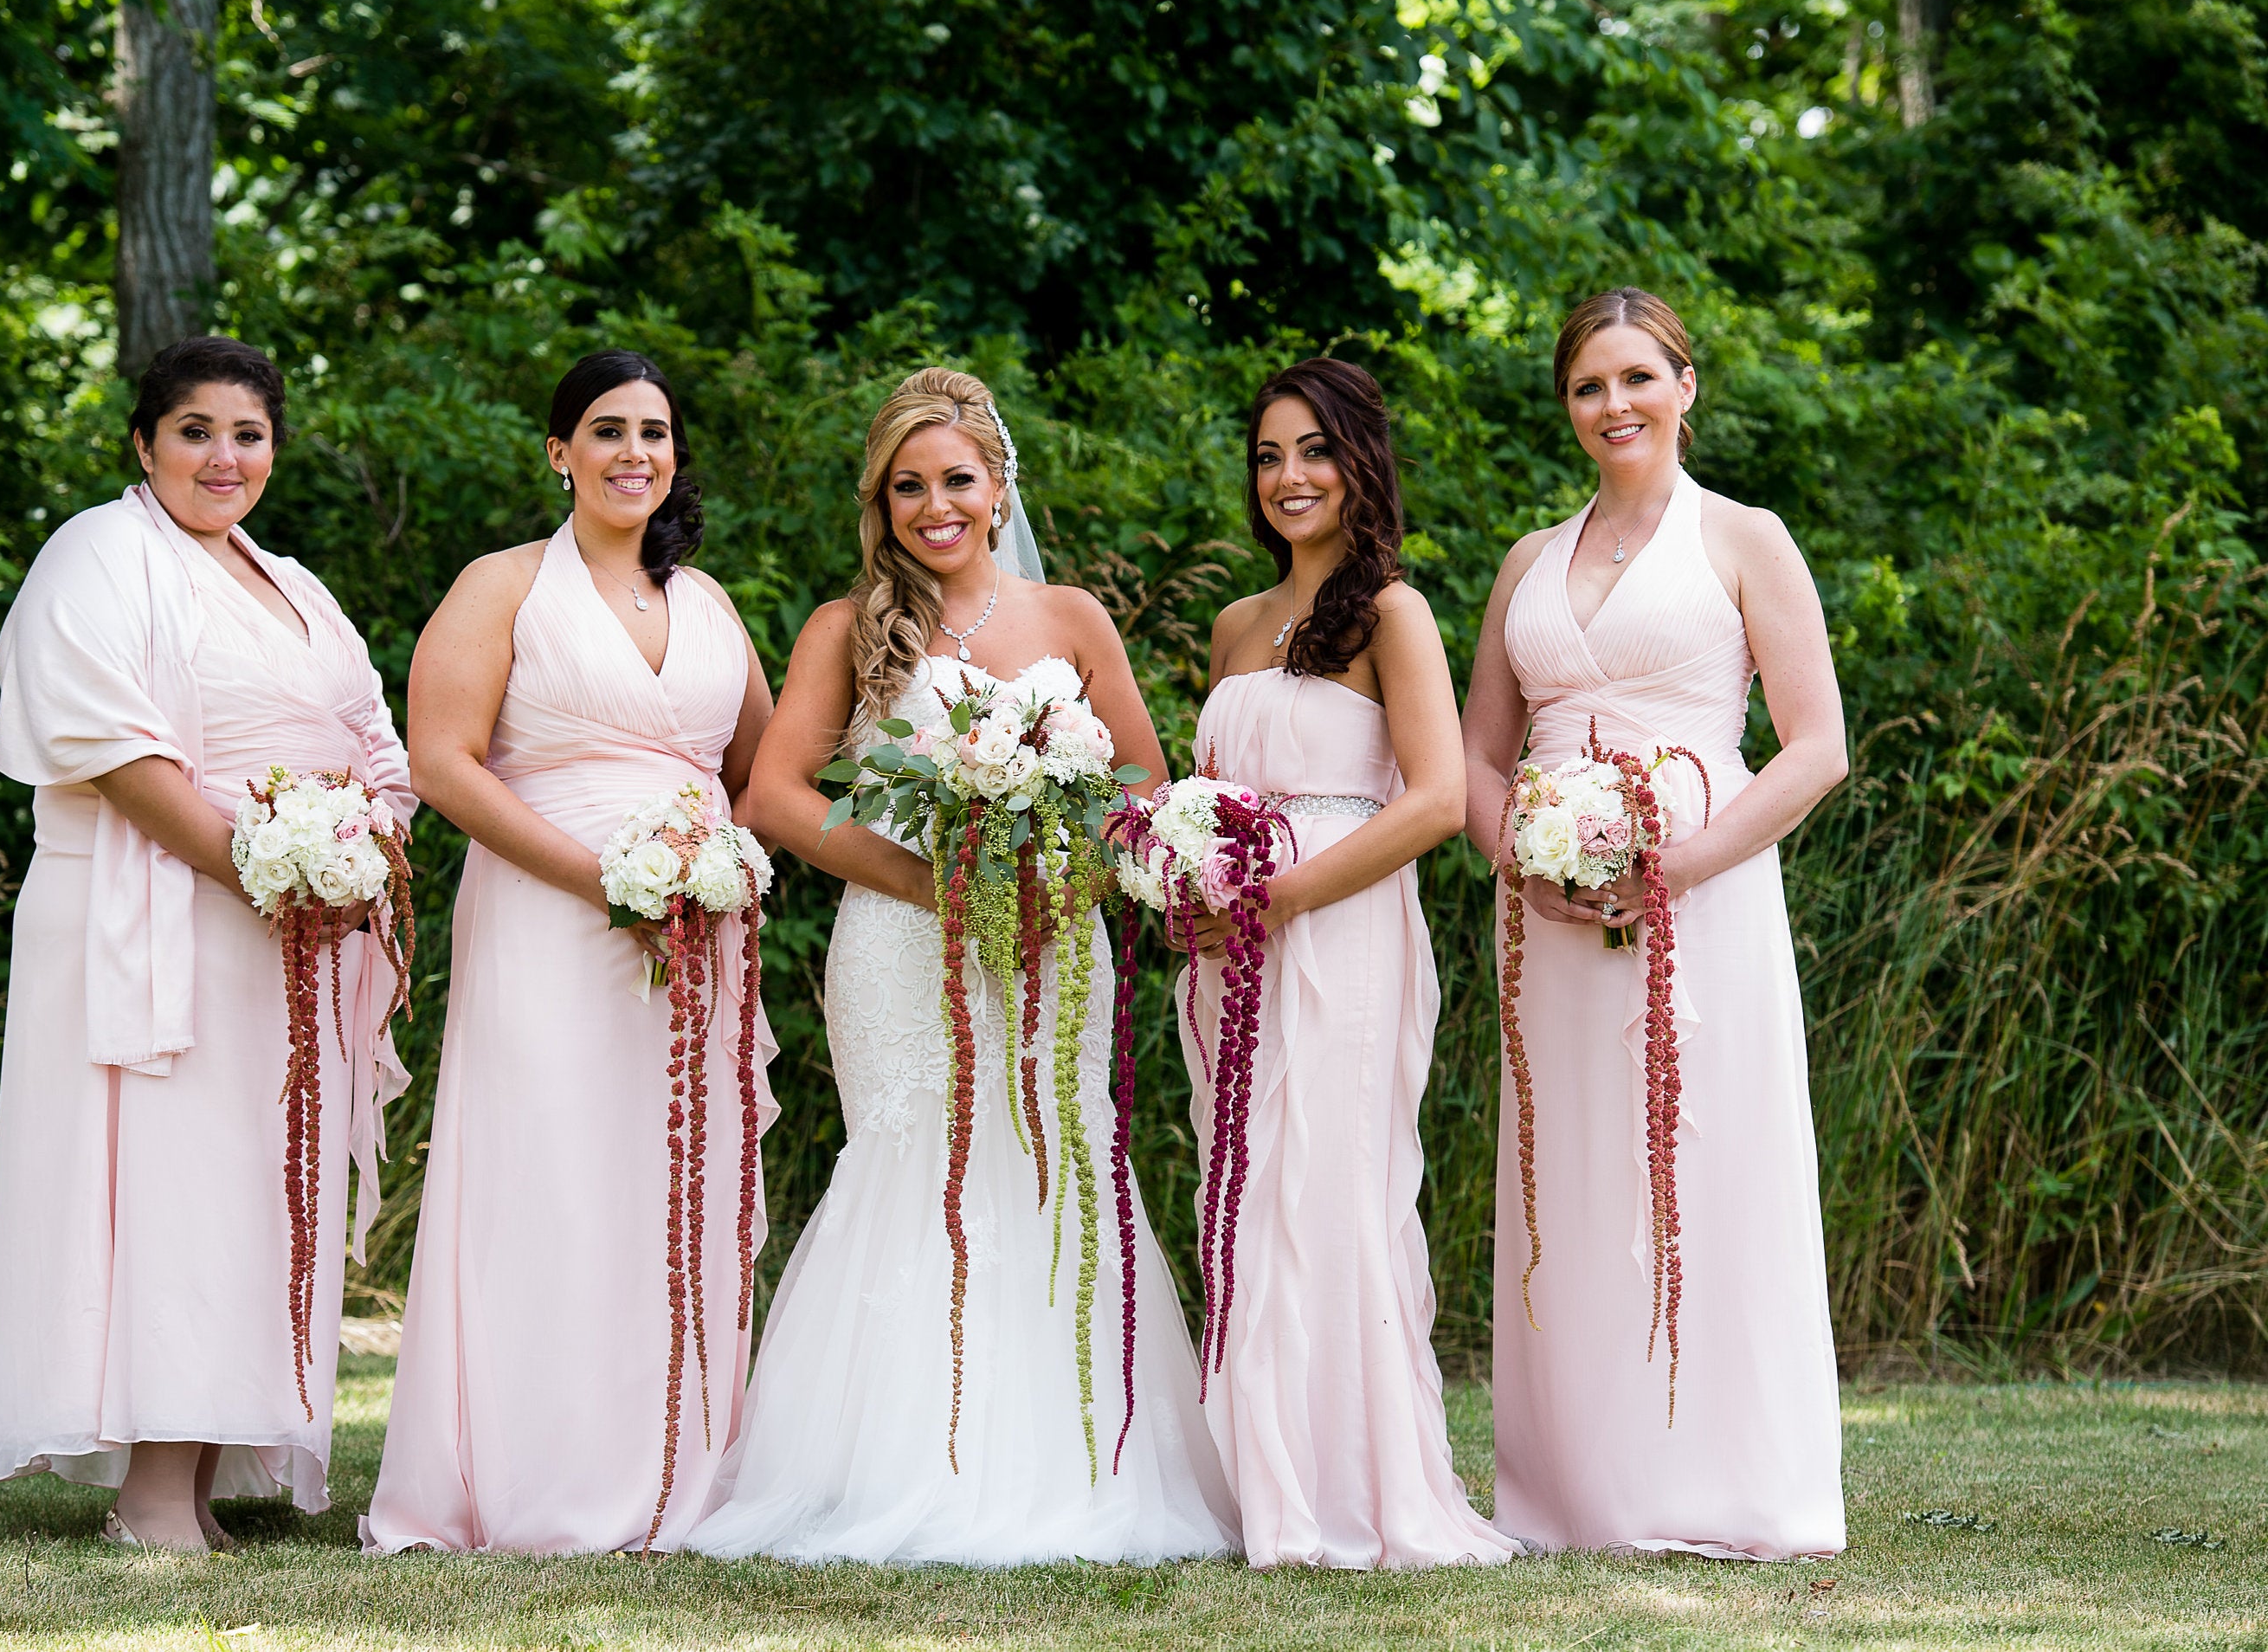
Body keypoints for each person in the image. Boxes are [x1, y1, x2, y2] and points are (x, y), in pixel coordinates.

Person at [689, 366, 1237, 1565]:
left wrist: (1063, 884)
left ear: (998, 486)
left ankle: (1078, 1458)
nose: (934, 505)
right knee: (917, 1157)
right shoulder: (846, 629)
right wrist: (926, 884)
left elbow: (1145, 790)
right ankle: (899, 1464)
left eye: (955, 480)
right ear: (880, 504)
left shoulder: (1075, 620)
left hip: (1053, 941)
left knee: (1056, 1150)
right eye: (906, 488)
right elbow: (776, 796)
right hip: (898, 943)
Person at [0, 336, 415, 1550]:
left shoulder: (294, 583)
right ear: (144, 441)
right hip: (165, 910)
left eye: (249, 434)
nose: (225, 458)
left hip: (289, 935)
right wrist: (262, 869)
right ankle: (151, 1497)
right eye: (196, 432)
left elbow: (375, 740)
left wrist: (361, 851)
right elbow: (113, 750)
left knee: (257, 1194)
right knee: (171, 1191)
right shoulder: (100, 555)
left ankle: (196, 1483)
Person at [364, 351, 776, 1554]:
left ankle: (675, 1475)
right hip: (546, 920)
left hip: (692, 935)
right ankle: (529, 1479)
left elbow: (759, 768)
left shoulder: (708, 603)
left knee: (670, 1181)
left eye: (655, 432)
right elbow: (442, 762)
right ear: (559, 452)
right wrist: (598, 877)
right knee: (548, 1174)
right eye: (607, 430)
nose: (634, 453)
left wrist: (719, 870)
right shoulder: (500, 586)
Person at [1460, 287, 1848, 1558]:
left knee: (1706, 1158)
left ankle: (1732, 1485)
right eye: (1588, 386)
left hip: (1702, 894)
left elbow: (1814, 750)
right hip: (1554, 912)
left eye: (1638, 378)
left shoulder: (1745, 538)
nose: (1613, 405)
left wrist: (1673, 867)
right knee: (1566, 1174)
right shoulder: (1529, 560)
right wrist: (1525, 860)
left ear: (1686, 385)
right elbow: (1474, 756)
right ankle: (1580, 1491)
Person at [1182, 359, 1520, 1571]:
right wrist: (1195, 879)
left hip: (1343, 927)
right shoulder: (1233, 625)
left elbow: (1434, 801)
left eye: (1313, 452)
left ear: (1359, 462)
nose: (1289, 478)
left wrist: (1275, 898)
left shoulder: (1395, 613)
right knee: (1249, 1189)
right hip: (1232, 951)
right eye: (1270, 457)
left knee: (1329, 1186)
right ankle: (1260, 1484)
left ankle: (1348, 1489)